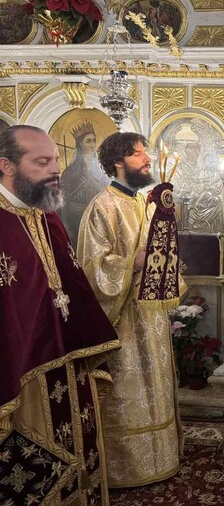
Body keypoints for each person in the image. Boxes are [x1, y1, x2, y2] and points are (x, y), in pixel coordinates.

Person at [0, 125, 119, 505]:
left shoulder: (47, 216)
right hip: (25, 376)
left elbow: (72, 286)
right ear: (6, 166)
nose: (55, 169)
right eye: (42, 162)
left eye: (55, 159)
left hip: (70, 361)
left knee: (81, 449)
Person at [77, 132, 182, 488]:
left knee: (157, 386)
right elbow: (91, 269)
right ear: (118, 161)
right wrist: (130, 263)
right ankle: (129, 469)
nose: (148, 160)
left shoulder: (146, 204)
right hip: (122, 321)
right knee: (128, 392)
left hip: (151, 316)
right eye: (139, 154)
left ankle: (163, 458)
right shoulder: (101, 207)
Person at [59, 121, 109, 246]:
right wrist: (65, 224)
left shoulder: (102, 168)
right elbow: (63, 198)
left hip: (96, 216)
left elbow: (108, 191)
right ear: (80, 143)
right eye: (88, 141)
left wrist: (93, 185)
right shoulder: (70, 171)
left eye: (94, 140)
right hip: (75, 218)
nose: (92, 144)